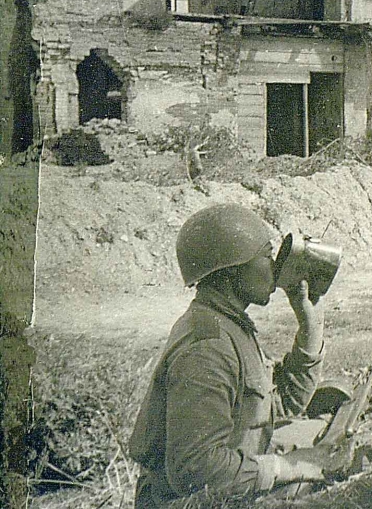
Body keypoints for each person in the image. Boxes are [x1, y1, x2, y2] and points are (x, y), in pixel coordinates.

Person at [129, 203, 342, 508]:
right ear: (231, 270)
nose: (275, 267)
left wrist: (310, 326)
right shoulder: (207, 348)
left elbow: (280, 404)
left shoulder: (228, 325)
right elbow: (195, 469)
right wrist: (286, 467)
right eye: (267, 255)